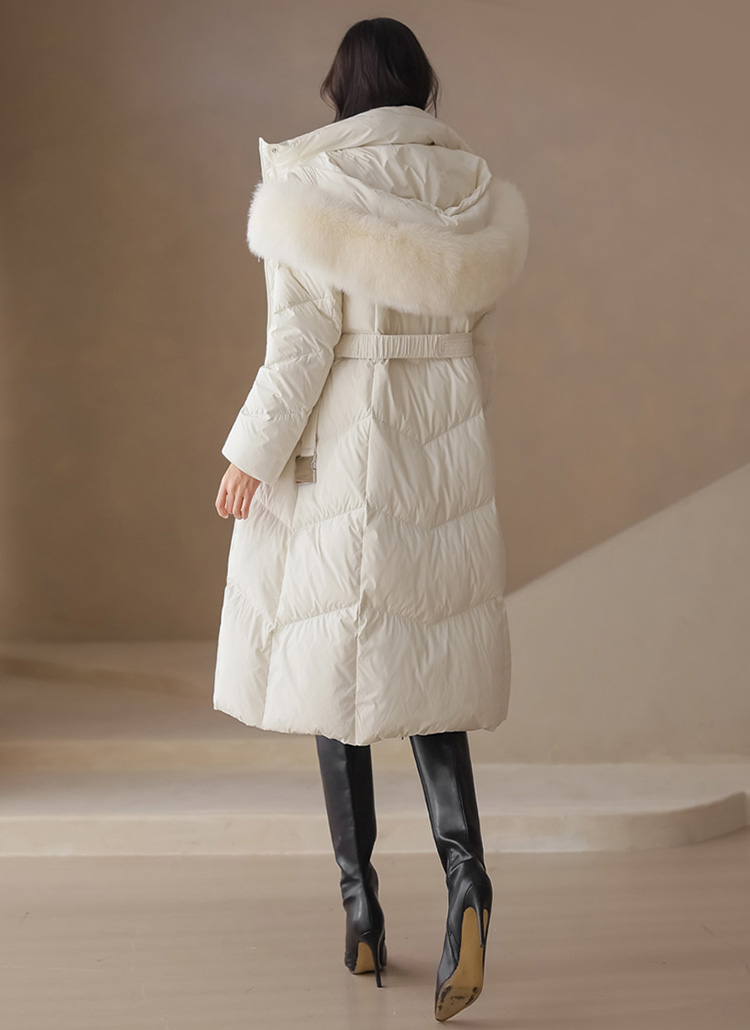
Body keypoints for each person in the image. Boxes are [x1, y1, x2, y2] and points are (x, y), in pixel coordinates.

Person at [213, 16, 529, 1023]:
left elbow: (301, 348)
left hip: (349, 446)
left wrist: (250, 453)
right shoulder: (471, 190)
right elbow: (477, 345)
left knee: (335, 672)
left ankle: (361, 911)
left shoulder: (311, 187)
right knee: (430, 672)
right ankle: (468, 882)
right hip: (446, 445)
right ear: (420, 86)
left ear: (341, 90)